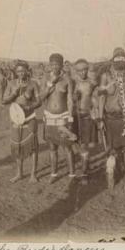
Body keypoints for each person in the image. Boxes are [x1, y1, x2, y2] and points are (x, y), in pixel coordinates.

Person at [96, 48, 125, 192]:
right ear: (113, 59)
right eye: (117, 58)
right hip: (109, 118)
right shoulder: (106, 76)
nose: (120, 60)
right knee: (111, 149)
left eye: (123, 58)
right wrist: (99, 118)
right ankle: (111, 175)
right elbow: (101, 97)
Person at [2, 61, 41, 183]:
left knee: (33, 147)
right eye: (18, 71)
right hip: (16, 118)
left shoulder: (33, 84)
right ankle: (19, 173)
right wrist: (14, 92)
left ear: (27, 71)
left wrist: (30, 107)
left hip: (30, 118)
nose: (20, 73)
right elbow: (4, 101)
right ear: (15, 72)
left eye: (23, 70)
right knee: (17, 146)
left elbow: (39, 101)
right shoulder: (11, 83)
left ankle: (33, 174)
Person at [40, 53, 76, 183]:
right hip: (49, 117)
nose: (55, 66)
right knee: (52, 147)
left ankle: (72, 175)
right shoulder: (45, 78)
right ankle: (53, 173)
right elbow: (41, 97)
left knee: (67, 147)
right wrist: (51, 84)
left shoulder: (67, 79)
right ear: (49, 65)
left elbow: (70, 100)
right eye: (52, 64)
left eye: (57, 64)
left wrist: (70, 117)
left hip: (63, 117)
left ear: (61, 65)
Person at [73, 58, 99, 185]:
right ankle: (85, 166)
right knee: (77, 145)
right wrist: (74, 97)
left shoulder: (92, 83)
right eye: (79, 70)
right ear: (76, 71)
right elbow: (69, 99)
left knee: (86, 146)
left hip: (87, 117)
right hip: (76, 118)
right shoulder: (73, 83)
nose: (82, 72)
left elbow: (95, 99)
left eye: (84, 70)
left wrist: (95, 111)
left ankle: (84, 173)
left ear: (87, 70)